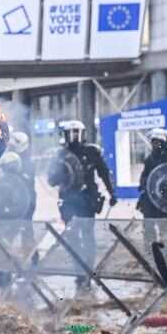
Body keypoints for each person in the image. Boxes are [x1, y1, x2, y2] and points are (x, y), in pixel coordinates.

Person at [48, 120, 117, 290]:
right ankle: (78, 269)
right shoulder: (60, 155)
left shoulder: (91, 152)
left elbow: (104, 173)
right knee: (72, 236)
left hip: (87, 200)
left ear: (82, 133)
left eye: (76, 132)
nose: (73, 137)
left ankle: (88, 270)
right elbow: (51, 179)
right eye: (69, 133)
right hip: (68, 200)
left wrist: (112, 193)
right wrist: (59, 175)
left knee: (88, 235)